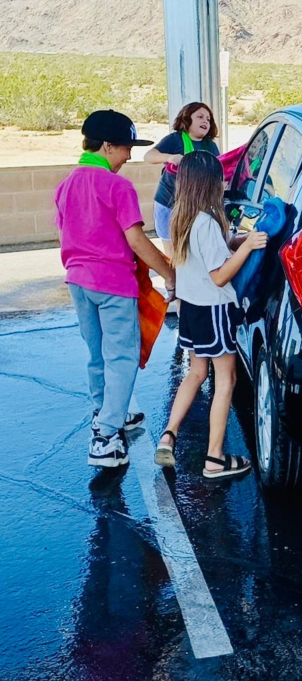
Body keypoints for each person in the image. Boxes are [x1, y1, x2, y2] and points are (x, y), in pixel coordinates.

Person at [54, 109, 176, 469]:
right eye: (125, 148)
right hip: (114, 285)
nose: (128, 156)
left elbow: (67, 233)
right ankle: (106, 438)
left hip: (78, 282)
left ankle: (105, 414)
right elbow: (136, 240)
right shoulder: (116, 185)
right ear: (107, 145)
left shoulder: (66, 184)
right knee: (121, 357)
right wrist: (169, 273)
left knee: (97, 354)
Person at [154, 151, 268, 479]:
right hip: (214, 309)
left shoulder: (183, 215)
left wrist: (242, 239)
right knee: (226, 379)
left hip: (190, 308)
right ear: (209, 183)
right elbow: (219, 275)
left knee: (195, 373)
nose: (225, 183)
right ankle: (215, 458)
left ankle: (169, 435)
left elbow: (216, 246)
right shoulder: (206, 221)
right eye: (221, 178)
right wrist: (246, 249)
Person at [144, 102, 220, 259]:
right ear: (187, 119)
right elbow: (149, 156)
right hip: (169, 204)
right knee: (174, 256)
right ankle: (175, 282)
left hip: (197, 207)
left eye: (208, 118)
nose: (205, 121)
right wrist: (170, 157)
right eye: (199, 117)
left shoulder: (210, 146)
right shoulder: (175, 140)